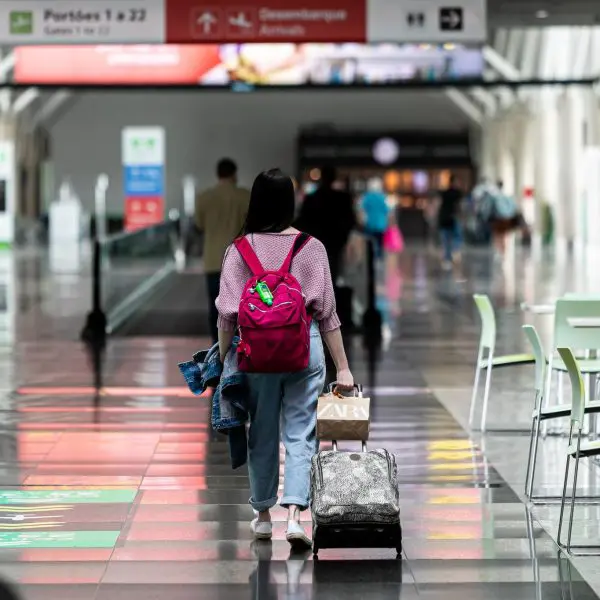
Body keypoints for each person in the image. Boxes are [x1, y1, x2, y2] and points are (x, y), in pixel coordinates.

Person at [216, 168, 354, 548]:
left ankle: (262, 516)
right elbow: (327, 313)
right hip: (303, 347)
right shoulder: (311, 247)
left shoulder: (238, 250)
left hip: (255, 352)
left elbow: (227, 315)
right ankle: (295, 515)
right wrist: (342, 366)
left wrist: (223, 359)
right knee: (301, 432)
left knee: (260, 431)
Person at [195, 158, 250, 342]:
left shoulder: (204, 197)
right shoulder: (244, 196)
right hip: (239, 261)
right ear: (234, 174)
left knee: (215, 307)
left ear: (217, 174)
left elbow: (199, 225)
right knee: (238, 308)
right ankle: (236, 346)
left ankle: (217, 348)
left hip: (213, 261)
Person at [295, 165, 356, 288]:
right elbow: (350, 221)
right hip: (334, 243)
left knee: (316, 278)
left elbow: (303, 221)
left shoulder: (312, 198)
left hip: (317, 243)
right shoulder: (342, 199)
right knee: (332, 275)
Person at [437, 174, 463, 269]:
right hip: (452, 219)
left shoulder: (444, 193)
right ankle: (454, 253)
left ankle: (447, 258)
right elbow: (460, 206)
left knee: (446, 240)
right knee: (456, 237)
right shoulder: (457, 193)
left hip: (444, 219)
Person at [359, 178, 390, 257]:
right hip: (381, 225)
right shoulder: (382, 197)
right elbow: (386, 211)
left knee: (370, 244)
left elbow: (362, 209)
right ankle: (379, 258)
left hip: (370, 224)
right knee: (380, 244)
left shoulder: (367, 197)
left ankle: (371, 260)